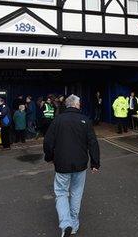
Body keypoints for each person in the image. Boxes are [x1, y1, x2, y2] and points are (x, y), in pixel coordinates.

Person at [43, 95, 100, 237]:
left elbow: (48, 142)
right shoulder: (85, 120)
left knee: (61, 193)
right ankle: (73, 226)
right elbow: (93, 143)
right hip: (80, 164)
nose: (80, 105)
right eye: (79, 103)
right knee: (76, 194)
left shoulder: (58, 120)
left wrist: (49, 157)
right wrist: (95, 163)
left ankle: (66, 223)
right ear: (75, 105)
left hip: (62, 164)